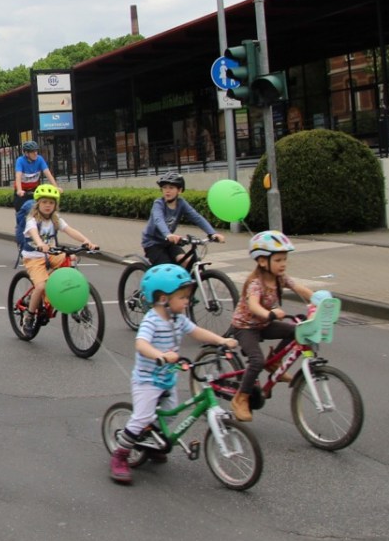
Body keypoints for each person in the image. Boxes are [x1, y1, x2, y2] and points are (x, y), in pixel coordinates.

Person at [109, 264, 238, 485]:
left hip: (167, 379)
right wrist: (159, 355)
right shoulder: (152, 320)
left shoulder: (178, 319)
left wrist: (221, 340)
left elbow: (197, 332)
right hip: (148, 380)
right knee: (141, 418)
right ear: (162, 298)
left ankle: (154, 441)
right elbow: (141, 344)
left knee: (169, 415)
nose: (187, 301)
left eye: (187, 296)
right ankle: (120, 456)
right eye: (182, 297)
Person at [229, 231, 314, 421]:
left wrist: (320, 300)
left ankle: (274, 362)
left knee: (297, 330)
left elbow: (299, 288)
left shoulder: (279, 278)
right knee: (256, 361)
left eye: (285, 259)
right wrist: (270, 314)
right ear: (261, 261)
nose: (283, 263)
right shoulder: (255, 283)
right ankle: (240, 398)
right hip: (245, 327)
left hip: (263, 323)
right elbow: (253, 305)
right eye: (278, 260)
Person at [19, 184, 98, 338]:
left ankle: (74, 304)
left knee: (71, 258)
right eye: (44, 202)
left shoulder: (56, 220)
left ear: (55, 205)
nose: (48, 206)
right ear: (38, 204)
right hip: (34, 257)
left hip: (52, 254)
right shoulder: (32, 220)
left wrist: (86, 241)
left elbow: (70, 230)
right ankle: (28, 316)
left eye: (51, 203)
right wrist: (40, 243)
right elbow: (34, 234)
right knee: (41, 286)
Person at [140, 171, 225, 266]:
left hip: (169, 242)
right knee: (167, 268)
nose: (167, 191)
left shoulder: (181, 203)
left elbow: (197, 218)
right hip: (153, 243)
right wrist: (168, 234)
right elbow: (158, 219)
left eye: (171, 188)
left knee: (186, 261)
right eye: (164, 188)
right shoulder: (159, 204)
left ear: (179, 190)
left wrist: (212, 233)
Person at [13, 140, 60, 210]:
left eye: (36, 151)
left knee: (38, 211)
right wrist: (19, 190)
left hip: (34, 190)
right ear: (26, 153)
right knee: (20, 211)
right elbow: (18, 176)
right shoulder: (20, 161)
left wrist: (56, 187)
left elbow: (48, 174)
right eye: (32, 152)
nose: (35, 153)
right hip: (22, 191)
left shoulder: (39, 159)